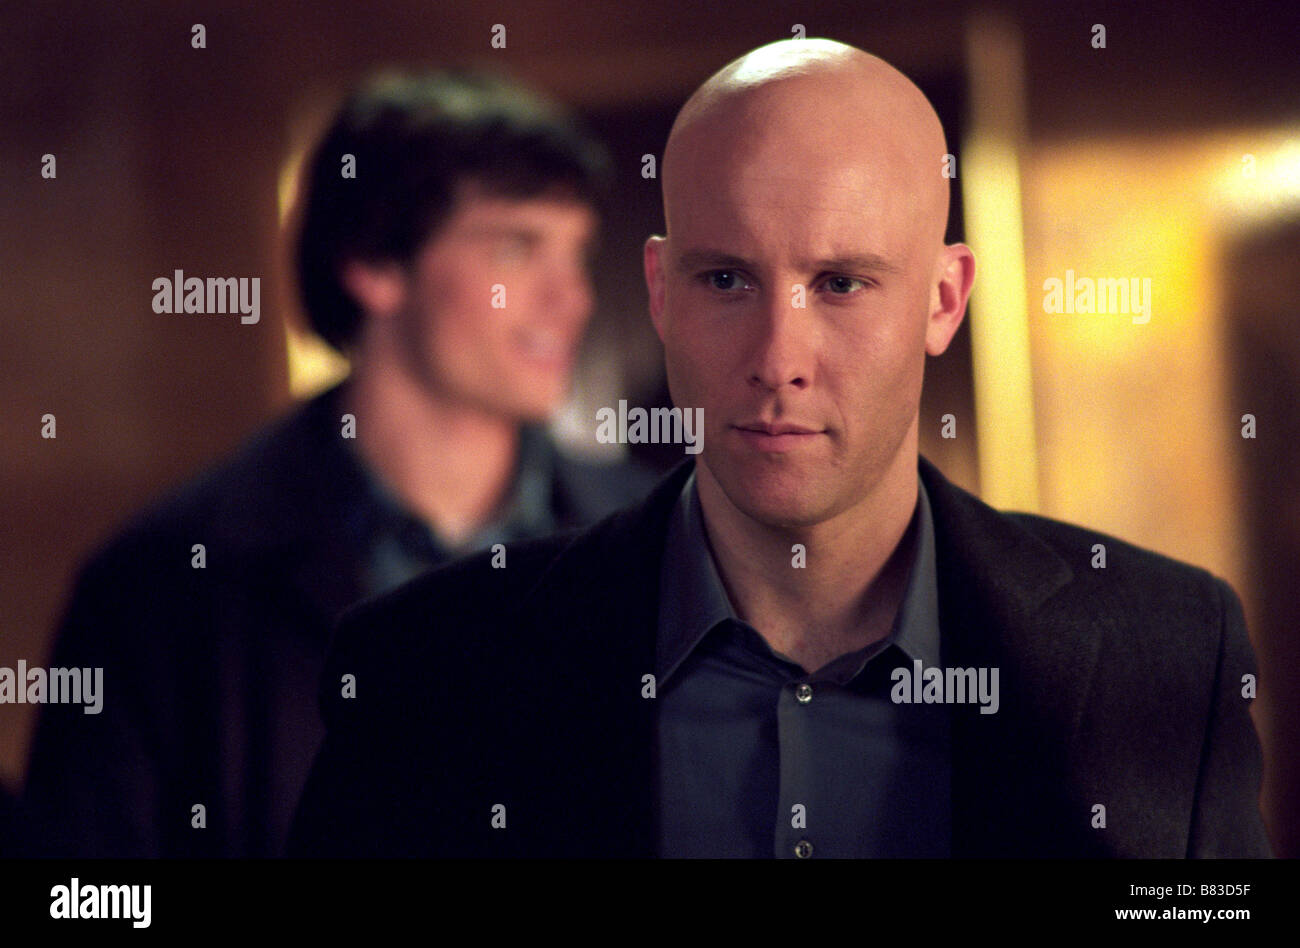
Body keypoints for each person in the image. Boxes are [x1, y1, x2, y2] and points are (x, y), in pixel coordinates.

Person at [287, 41, 1272, 858]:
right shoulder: (427, 670)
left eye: (841, 284)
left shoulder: (1166, 651)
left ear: (943, 301)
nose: (777, 360)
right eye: (725, 280)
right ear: (661, 292)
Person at [22, 71, 655, 858]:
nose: (574, 297)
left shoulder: (658, 540)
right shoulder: (159, 583)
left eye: (578, 253)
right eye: (517, 247)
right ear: (373, 262)